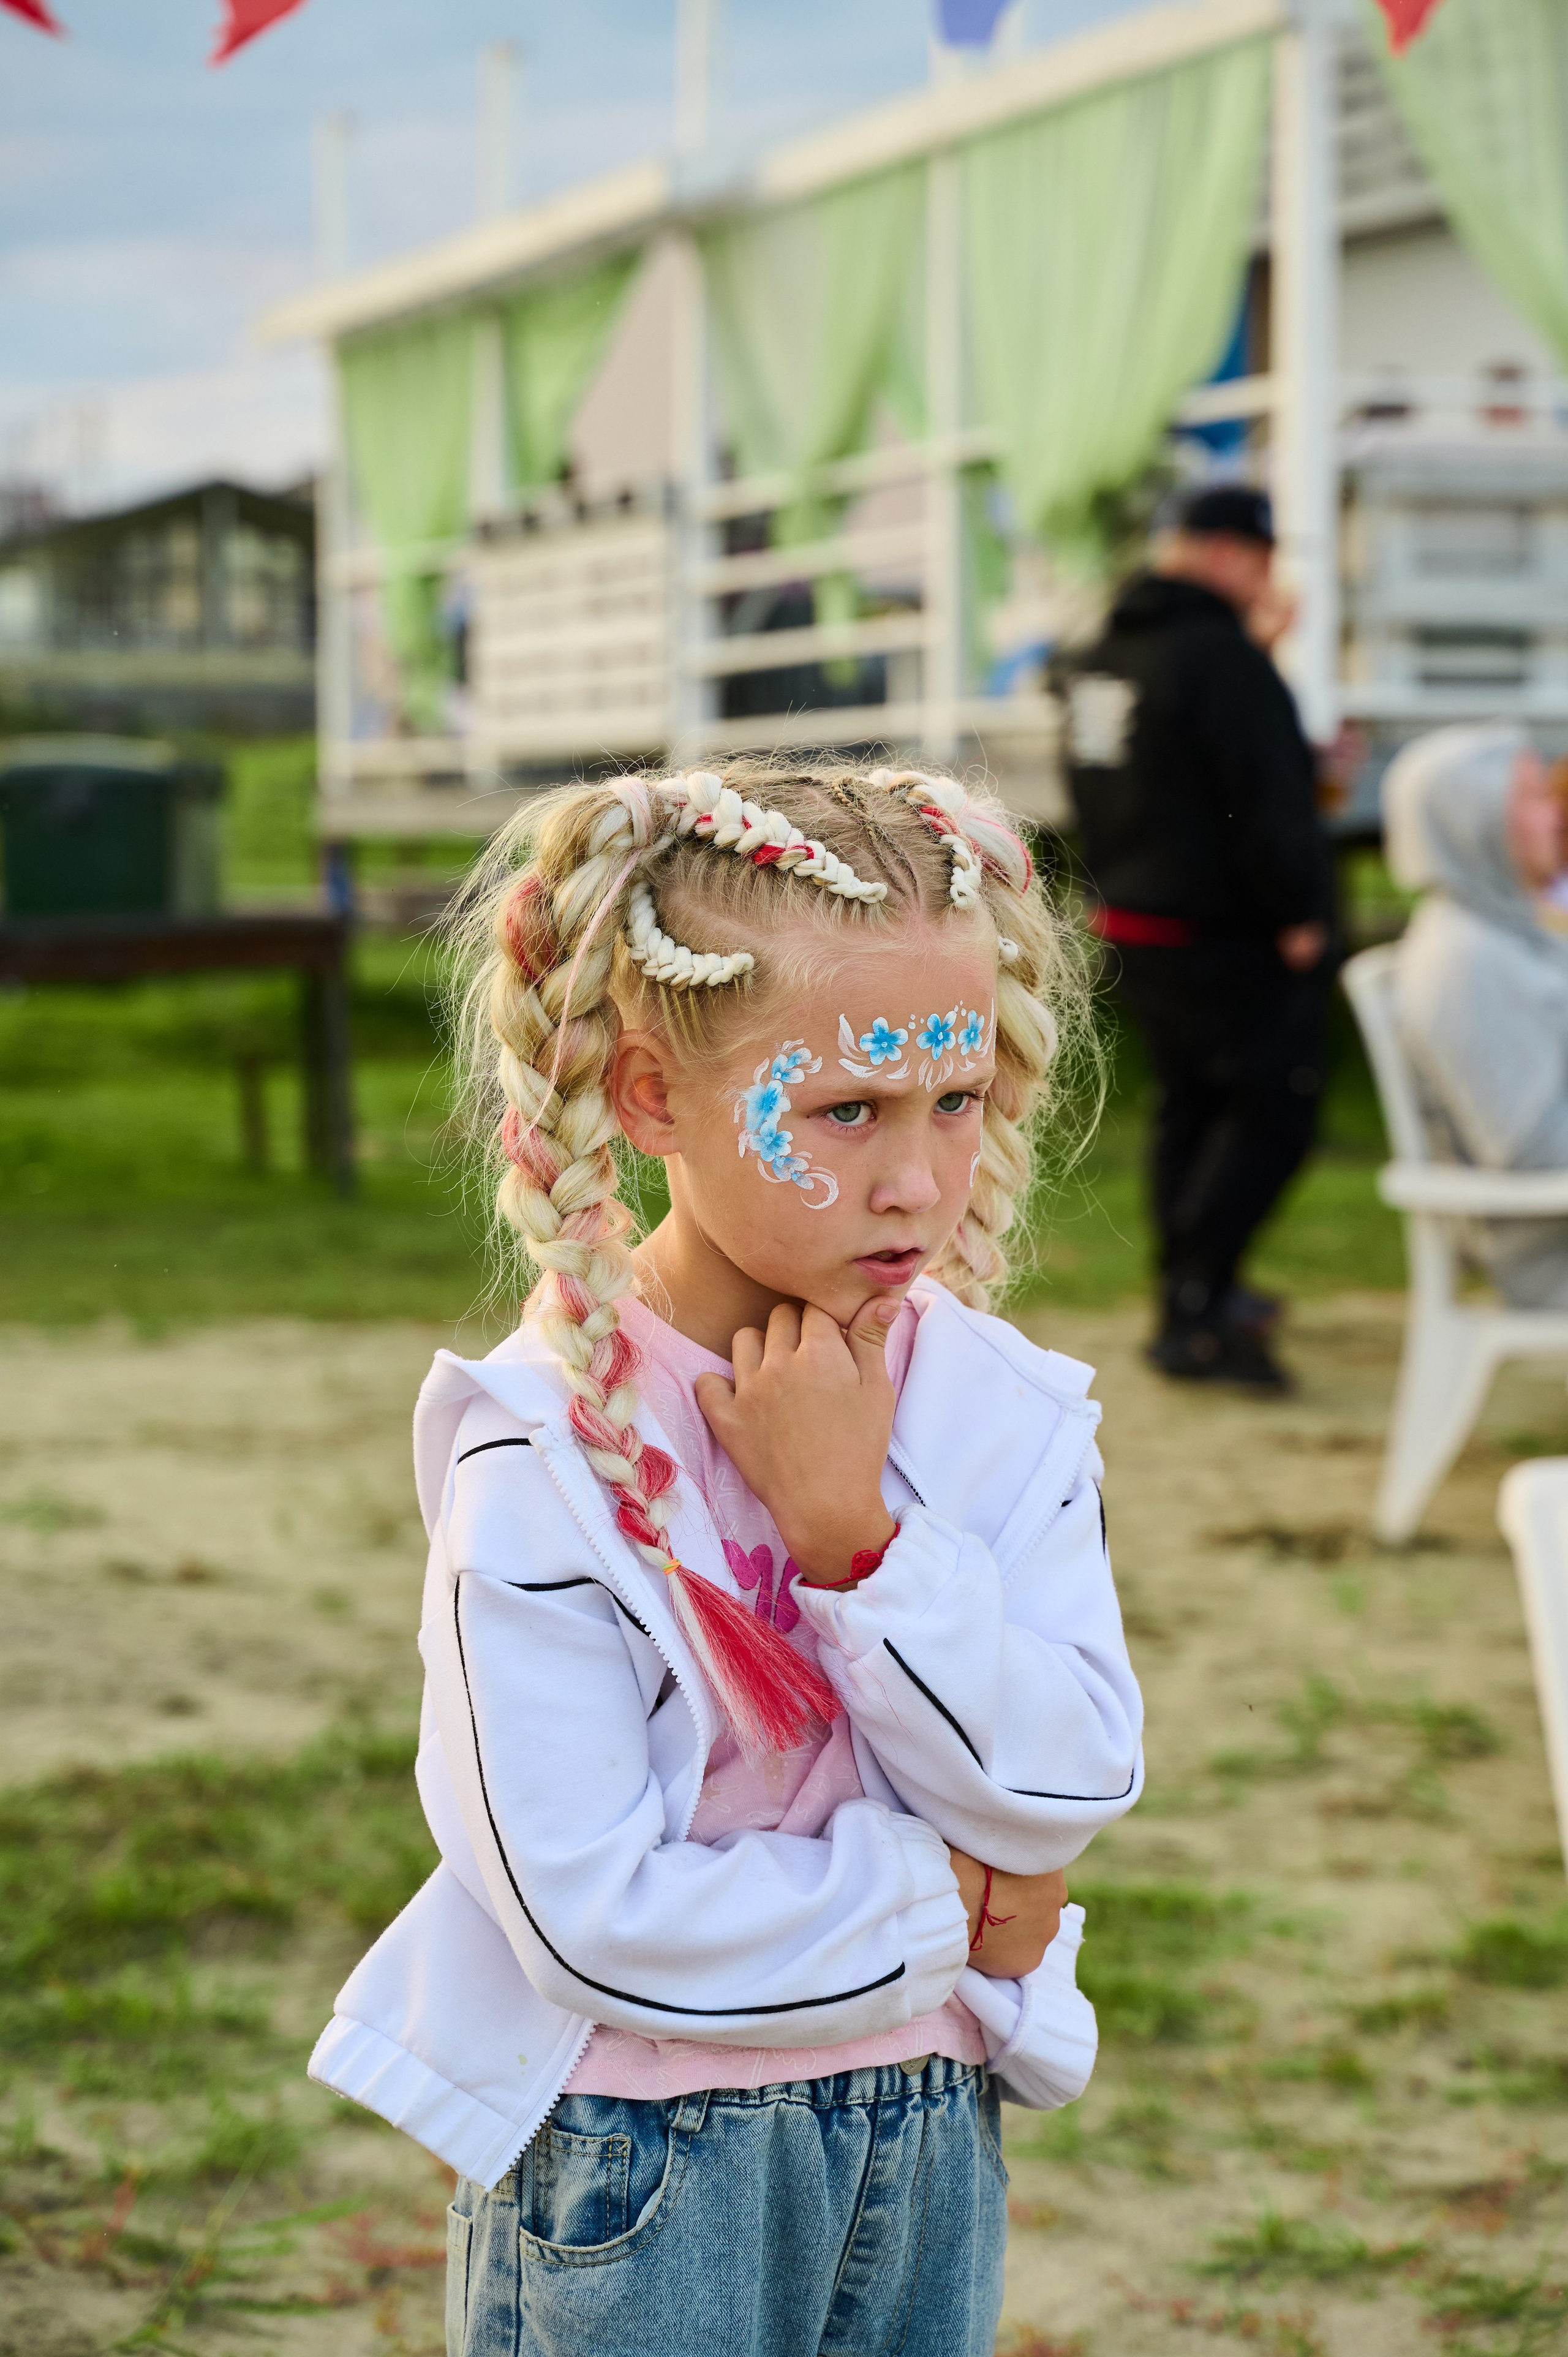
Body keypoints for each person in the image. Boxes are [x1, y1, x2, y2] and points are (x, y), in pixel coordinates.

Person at [309, 765, 1144, 2357]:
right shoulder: (538, 1460)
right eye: (846, 1109)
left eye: (955, 1099)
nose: (917, 1178)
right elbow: (588, 1913)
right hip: (643, 2167)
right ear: (647, 1096)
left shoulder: (1001, 1413)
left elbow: (1065, 1778)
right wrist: (946, 1908)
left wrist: (858, 1545)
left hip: (929, 2135)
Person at [1055, 483, 1335, 1392]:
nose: (1268, 581)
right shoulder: (1219, 656)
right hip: (1221, 927)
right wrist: (1301, 911)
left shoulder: (1102, 652)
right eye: (1263, 561)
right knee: (1270, 1111)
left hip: (1133, 913)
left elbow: (1176, 767)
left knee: (1192, 1108)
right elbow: (1263, 793)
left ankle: (1190, 1291)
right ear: (1226, 553)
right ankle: (1197, 1308)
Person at [1387, 723, 1568, 1306]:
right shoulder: (1464, 958)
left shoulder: (1505, 930)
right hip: (1549, 1250)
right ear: (1475, 820)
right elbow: (1535, 1152)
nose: (1557, 816)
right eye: (1533, 797)